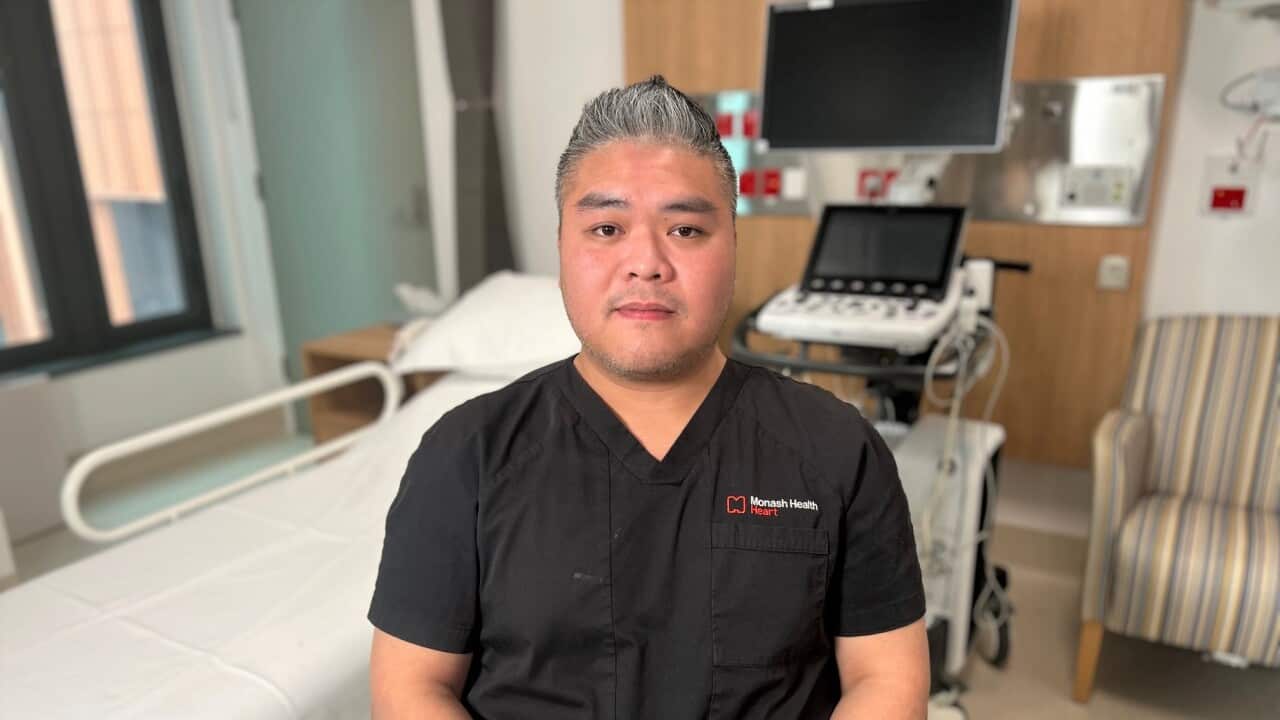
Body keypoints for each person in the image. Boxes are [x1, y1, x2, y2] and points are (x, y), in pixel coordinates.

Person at [368, 75, 929, 719]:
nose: (646, 263)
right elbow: (411, 689)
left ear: (733, 251)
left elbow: (886, 680)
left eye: (686, 231)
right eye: (606, 228)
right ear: (560, 249)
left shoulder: (836, 450)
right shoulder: (465, 453)